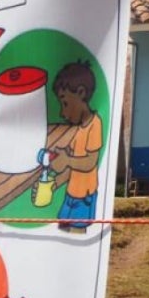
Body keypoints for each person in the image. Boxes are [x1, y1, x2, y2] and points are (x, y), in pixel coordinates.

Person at [48, 60, 103, 234]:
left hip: (84, 198)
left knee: (77, 234)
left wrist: (67, 160)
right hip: (70, 195)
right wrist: (55, 183)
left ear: (81, 93)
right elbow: (71, 168)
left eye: (65, 103)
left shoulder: (95, 124)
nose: (62, 113)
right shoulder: (77, 130)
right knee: (62, 230)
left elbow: (89, 162)